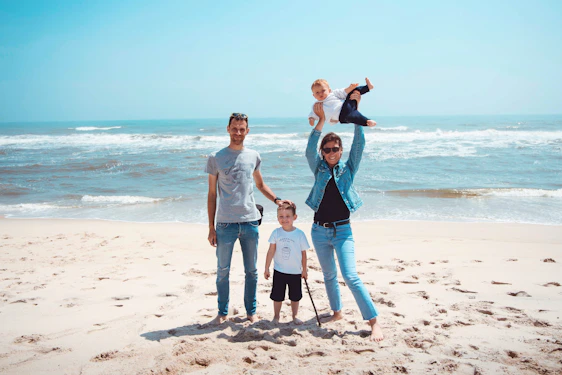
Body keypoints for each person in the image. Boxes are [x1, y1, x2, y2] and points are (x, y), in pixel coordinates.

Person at [305, 93, 384, 342]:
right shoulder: (317, 167)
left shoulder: (348, 169)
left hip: (343, 231)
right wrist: (320, 121)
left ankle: (374, 322)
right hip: (318, 231)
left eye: (335, 149)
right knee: (328, 275)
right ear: (323, 151)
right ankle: (337, 313)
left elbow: (359, 147)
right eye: (327, 149)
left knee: (350, 276)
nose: (331, 152)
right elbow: (309, 150)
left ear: (340, 150)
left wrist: (357, 119)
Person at [206, 112, 291, 325]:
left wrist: (277, 200)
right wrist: (211, 227)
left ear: (247, 131)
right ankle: (222, 312)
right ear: (228, 129)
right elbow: (211, 194)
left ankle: (251, 312)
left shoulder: (253, 155)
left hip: (250, 221)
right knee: (222, 271)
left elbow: (261, 185)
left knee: (251, 271)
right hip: (225, 223)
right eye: (234, 128)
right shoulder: (215, 157)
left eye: (242, 129)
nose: (238, 132)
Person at [264, 203, 310, 325]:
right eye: (281, 216)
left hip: (295, 271)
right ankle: (276, 316)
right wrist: (266, 267)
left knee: (295, 296)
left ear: (295, 217)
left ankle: (294, 316)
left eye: (287, 216)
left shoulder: (299, 234)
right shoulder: (276, 233)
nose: (284, 219)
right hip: (279, 270)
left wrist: (304, 270)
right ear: (277, 218)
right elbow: (271, 251)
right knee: (277, 296)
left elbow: (303, 254)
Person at [308, 78, 377, 128]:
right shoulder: (317, 105)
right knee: (356, 118)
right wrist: (311, 119)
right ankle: (367, 122)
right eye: (317, 92)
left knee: (353, 92)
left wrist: (350, 87)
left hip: (346, 107)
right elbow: (312, 114)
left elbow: (344, 92)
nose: (320, 93)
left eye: (323, 90)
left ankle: (367, 87)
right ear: (314, 96)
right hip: (342, 118)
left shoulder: (333, 94)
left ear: (329, 90)